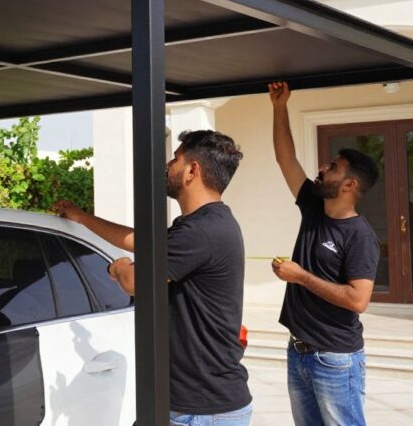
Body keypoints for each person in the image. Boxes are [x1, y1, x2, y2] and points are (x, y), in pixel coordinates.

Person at [53, 130, 252, 425]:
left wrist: (118, 267)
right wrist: (82, 217)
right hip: (197, 404)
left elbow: (135, 282)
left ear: (192, 171)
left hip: (200, 410)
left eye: (175, 158)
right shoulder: (206, 224)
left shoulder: (201, 232)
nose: (169, 165)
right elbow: (140, 239)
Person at [268, 81, 380, 426]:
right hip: (298, 350)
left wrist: (300, 276)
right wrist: (279, 106)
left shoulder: (361, 236)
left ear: (350, 185)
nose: (323, 169)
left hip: (335, 358)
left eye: (333, 167)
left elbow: (358, 300)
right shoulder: (314, 207)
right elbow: (286, 158)